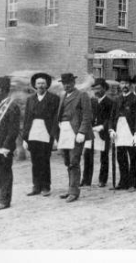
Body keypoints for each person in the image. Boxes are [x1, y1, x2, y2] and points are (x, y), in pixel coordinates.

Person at [54, 73, 93, 203]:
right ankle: (70, 188)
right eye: (64, 83)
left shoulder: (82, 95)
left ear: (74, 83)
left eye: (69, 82)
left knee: (74, 161)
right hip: (64, 131)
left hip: (75, 132)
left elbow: (87, 115)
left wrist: (82, 132)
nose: (67, 85)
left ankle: (74, 191)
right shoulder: (63, 96)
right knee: (67, 161)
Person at [0, 76, 21, 210]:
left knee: (5, 172)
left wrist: (7, 146)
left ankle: (5, 200)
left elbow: (13, 129)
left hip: (4, 146)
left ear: (5, 90)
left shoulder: (12, 106)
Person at [22, 72, 59, 197]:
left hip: (46, 132)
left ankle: (45, 186)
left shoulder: (54, 98)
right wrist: (25, 138)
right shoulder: (30, 100)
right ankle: (36, 186)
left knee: (44, 160)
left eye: (43, 83)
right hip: (33, 132)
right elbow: (27, 118)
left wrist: (54, 136)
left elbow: (55, 118)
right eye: (38, 83)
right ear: (35, 85)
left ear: (47, 85)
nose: (41, 86)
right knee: (35, 160)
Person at [81, 78, 114, 188]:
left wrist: (103, 126)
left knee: (103, 156)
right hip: (91, 131)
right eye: (95, 89)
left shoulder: (110, 102)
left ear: (105, 89)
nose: (97, 91)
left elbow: (110, 118)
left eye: (99, 88)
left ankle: (102, 180)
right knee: (87, 155)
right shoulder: (92, 101)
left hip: (102, 132)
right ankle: (86, 180)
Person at [109, 74, 136, 191]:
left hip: (130, 130)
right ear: (120, 85)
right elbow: (112, 116)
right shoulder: (117, 99)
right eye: (122, 83)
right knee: (120, 157)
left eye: (126, 83)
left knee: (132, 157)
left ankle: (133, 183)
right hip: (119, 129)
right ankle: (123, 182)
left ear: (130, 85)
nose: (124, 86)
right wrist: (111, 129)